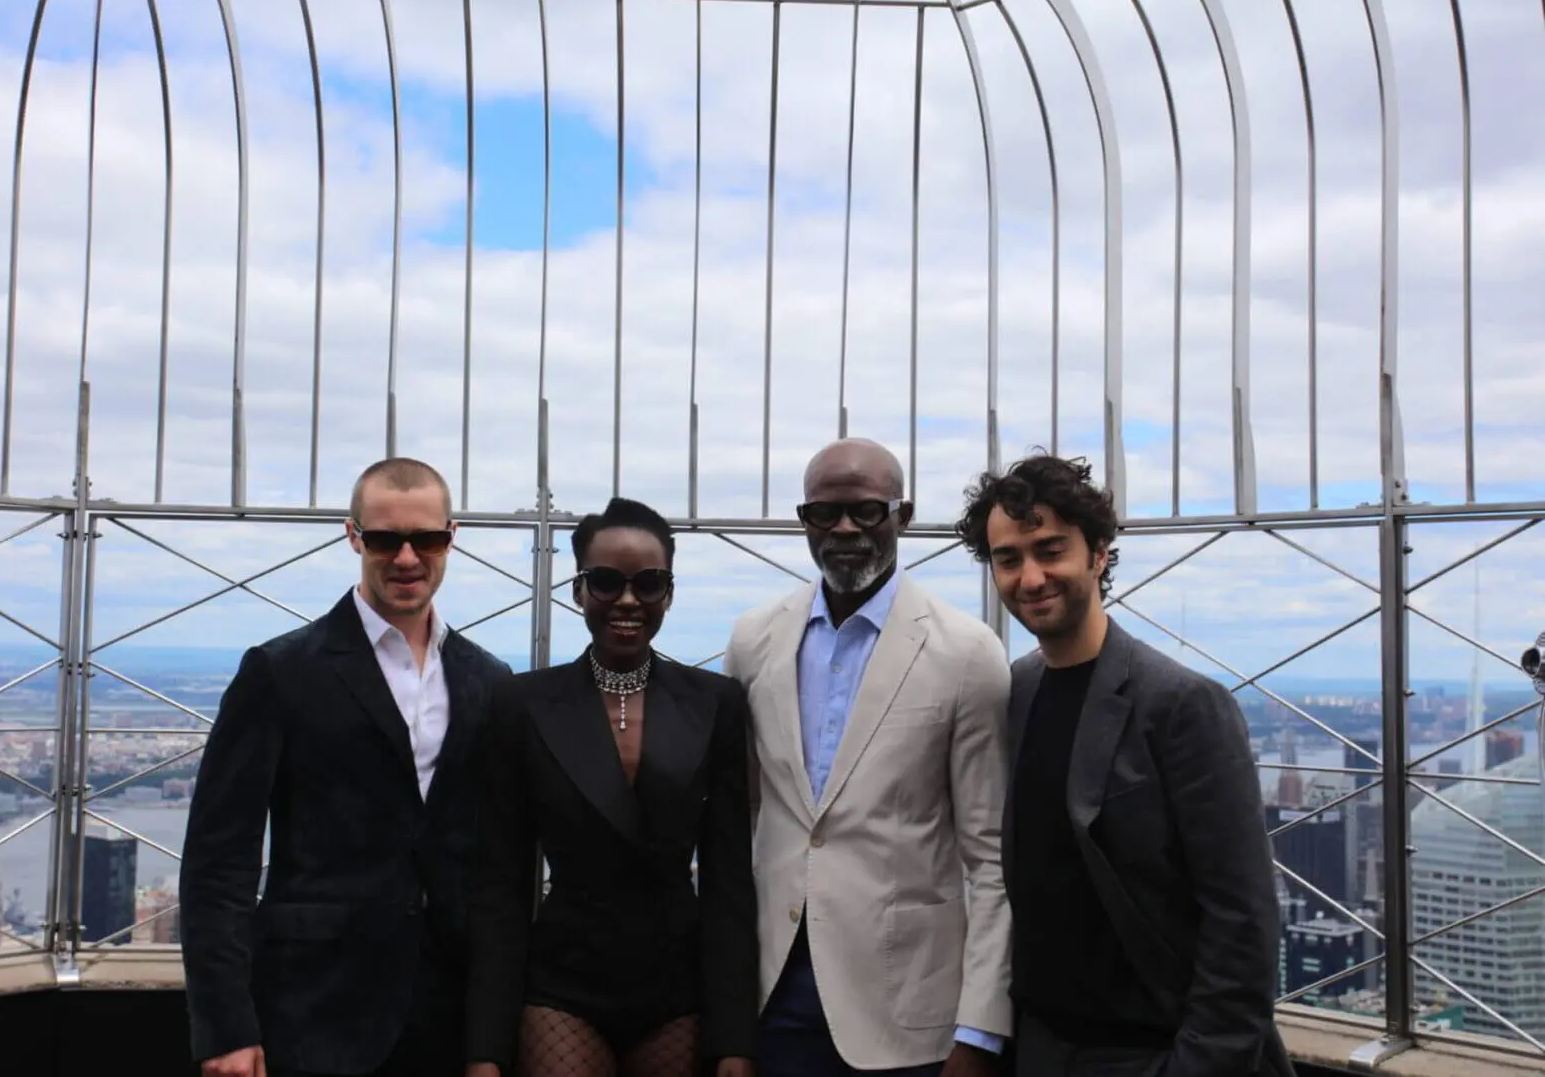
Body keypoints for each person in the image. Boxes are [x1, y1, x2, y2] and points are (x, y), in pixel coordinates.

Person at [954, 452, 1296, 1077]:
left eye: (1051, 550)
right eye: (1009, 559)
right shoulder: (1018, 690)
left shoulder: (1183, 704)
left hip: (1151, 1051)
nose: (1031, 577)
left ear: (1099, 553)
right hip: (1041, 1047)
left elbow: (1242, 916)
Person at [180, 458, 511, 1077]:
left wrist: (490, 1033)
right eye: (386, 539)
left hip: (448, 1014)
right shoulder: (279, 673)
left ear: (452, 536)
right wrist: (225, 1026)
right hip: (312, 1011)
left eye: (427, 538)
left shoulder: (488, 680)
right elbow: (217, 861)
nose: (407, 557)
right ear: (353, 535)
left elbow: (496, 866)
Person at [723, 438, 1013, 1076]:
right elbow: (744, 815)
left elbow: (990, 859)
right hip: (769, 995)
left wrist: (981, 1032)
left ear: (902, 516)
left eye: (867, 511)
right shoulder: (754, 640)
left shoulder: (968, 652)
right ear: (804, 521)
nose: (844, 529)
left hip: (907, 1006)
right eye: (824, 514)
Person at [464, 497, 759, 1077]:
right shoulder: (521, 705)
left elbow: (729, 880)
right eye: (605, 581)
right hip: (564, 981)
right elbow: (500, 883)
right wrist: (484, 1051)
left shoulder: (715, 703)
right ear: (577, 591)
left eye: (649, 584)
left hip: (677, 982)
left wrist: (735, 1041)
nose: (628, 600)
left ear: (669, 593)